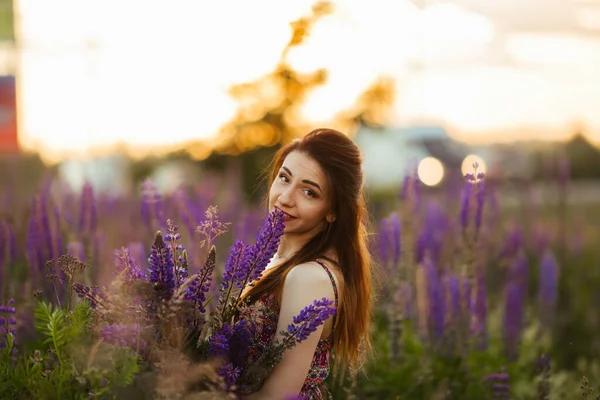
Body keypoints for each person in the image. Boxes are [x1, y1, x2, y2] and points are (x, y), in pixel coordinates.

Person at [239, 128, 373, 399]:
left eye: (309, 192)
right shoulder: (278, 261)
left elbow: (278, 395)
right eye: (284, 178)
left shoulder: (309, 277)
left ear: (333, 211)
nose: (285, 198)